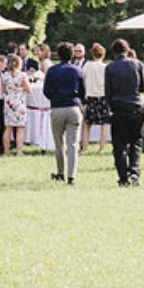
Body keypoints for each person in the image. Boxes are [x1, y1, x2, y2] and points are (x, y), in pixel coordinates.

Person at [105, 38, 144, 187]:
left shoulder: (110, 67)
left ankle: (123, 177)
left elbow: (108, 92)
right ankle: (134, 171)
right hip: (135, 107)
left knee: (119, 146)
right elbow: (143, 87)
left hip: (118, 108)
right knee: (136, 142)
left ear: (114, 51)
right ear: (128, 49)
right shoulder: (137, 64)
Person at [43, 45, 86, 184]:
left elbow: (46, 90)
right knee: (73, 144)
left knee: (58, 143)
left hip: (57, 107)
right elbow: (83, 91)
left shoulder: (52, 70)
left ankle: (60, 172)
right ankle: (71, 176)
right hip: (73, 107)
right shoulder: (77, 70)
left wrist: (54, 98)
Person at [83, 42, 110, 148]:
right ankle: (101, 148)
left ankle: (84, 148)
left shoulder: (88, 65)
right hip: (103, 97)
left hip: (90, 97)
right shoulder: (106, 67)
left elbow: (82, 77)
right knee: (104, 124)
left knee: (87, 124)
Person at [1, 54, 29, 155]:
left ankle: (6, 151)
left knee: (8, 127)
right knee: (20, 128)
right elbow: (28, 89)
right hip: (19, 101)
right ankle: (19, 151)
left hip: (9, 102)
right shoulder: (22, 75)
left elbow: (4, 89)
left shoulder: (5, 75)